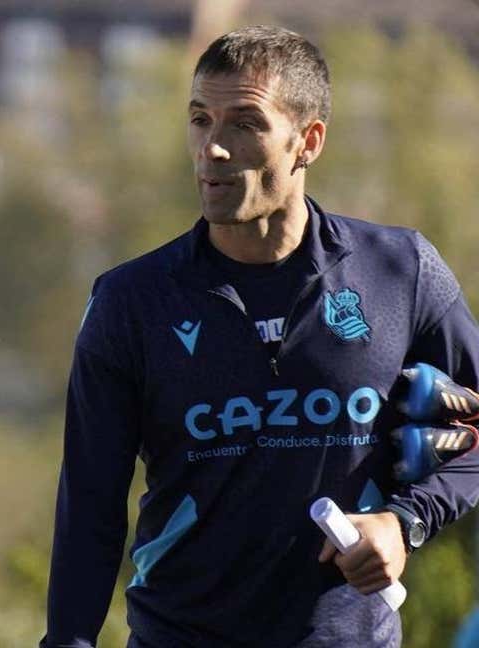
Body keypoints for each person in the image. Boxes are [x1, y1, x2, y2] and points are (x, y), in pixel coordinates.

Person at [41, 25, 479, 648]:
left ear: (309, 141)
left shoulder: (401, 270)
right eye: (200, 120)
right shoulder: (129, 301)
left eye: (244, 124)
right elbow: (89, 508)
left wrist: (402, 522)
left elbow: (476, 428)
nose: (212, 149)